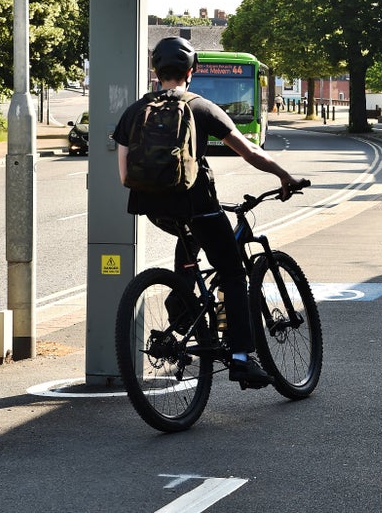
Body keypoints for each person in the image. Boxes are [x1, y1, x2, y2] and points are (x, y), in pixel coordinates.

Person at [113, 37, 306, 388]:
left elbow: (125, 176)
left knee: (187, 244)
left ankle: (183, 308)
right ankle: (241, 359)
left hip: (154, 209)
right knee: (232, 273)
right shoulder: (201, 107)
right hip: (198, 206)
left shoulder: (135, 111)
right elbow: (250, 152)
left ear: (155, 71)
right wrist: (284, 176)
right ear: (192, 70)